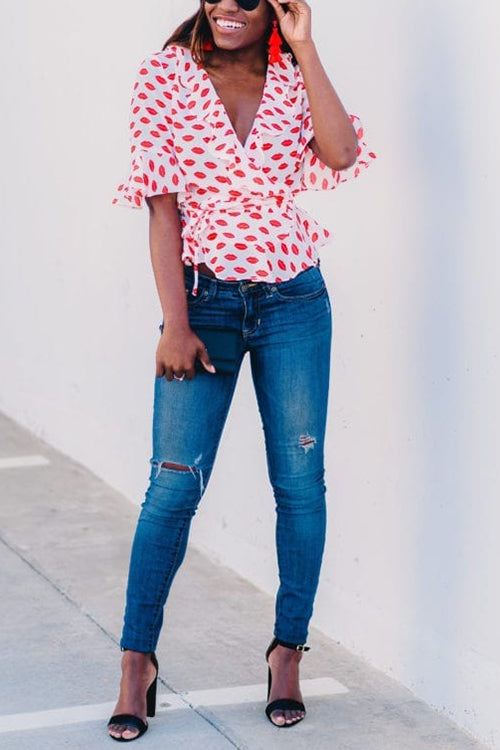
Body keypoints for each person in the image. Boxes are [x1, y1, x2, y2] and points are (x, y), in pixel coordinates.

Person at [108, 0, 376, 741]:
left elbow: (341, 152)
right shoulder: (167, 74)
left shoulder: (292, 73)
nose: (230, 3)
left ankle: (287, 650)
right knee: (171, 486)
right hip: (205, 302)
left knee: (299, 481)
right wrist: (176, 323)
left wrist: (306, 47)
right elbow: (162, 212)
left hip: (295, 299)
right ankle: (137, 662)